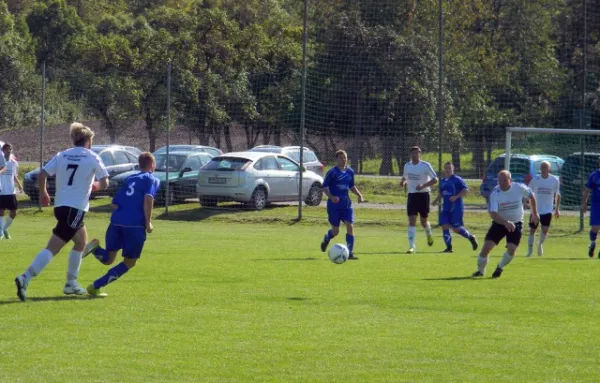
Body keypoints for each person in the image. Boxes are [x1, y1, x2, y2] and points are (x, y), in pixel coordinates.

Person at [14, 122, 109, 301]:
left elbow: (42, 174)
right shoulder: (92, 157)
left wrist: (44, 193)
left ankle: (71, 283)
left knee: (81, 242)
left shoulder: (63, 155)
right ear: (88, 140)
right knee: (53, 248)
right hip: (76, 208)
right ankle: (25, 278)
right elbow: (105, 181)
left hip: (61, 207)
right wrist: (95, 185)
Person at [82, 152, 159, 296]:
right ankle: (95, 286)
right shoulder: (152, 179)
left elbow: (114, 204)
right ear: (152, 165)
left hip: (116, 223)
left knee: (108, 259)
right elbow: (148, 198)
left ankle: (94, 248)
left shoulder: (129, 178)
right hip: (134, 227)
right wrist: (148, 222)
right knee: (129, 262)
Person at [472, 170, 539, 279]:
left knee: (512, 249)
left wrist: (535, 214)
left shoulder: (519, 188)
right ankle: (480, 271)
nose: (501, 183)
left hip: (516, 222)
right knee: (486, 248)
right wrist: (505, 222)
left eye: (504, 180)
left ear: (510, 180)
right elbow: (493, 213)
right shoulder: (495, 193)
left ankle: (500, 267)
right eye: (499, 180)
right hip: (500, 222)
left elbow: (531, 196)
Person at [320, 150, 364, 260]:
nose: (343, 159)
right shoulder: (332, 172)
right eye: (340, 158)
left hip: (346, 204)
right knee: (336, 231)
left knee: (350, 225)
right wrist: (331, 197)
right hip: (334, 205)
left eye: (344, 157)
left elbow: (351, 186)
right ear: (337, 159)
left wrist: (359, 195)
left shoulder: (350, 172)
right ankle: (327, 237)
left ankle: (350, 252)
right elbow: (324, 187)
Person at [432, 162, 478, 253]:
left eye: (449, 168)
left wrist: (456, 197)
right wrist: (436, 200)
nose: (448, 170)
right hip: (446, 208)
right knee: (445, 226)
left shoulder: (457, 179)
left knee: (456, 229)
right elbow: (441, 192)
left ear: (453, 169)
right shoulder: (443, 181)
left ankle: (471, 237)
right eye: (446, 168)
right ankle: (449, 248)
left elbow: (465, 190)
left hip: (456, 208)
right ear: (444, 170)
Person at [400, 146, 438, 254]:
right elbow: (405, 177)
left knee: (423, 221)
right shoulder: (407, 166)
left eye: (416, 153)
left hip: (424, 195)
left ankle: (429, 234)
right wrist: (402, 182)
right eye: (412, 153)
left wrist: (423, 185)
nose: (414, 155)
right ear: (410, 155)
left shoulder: (425, 165)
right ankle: (412, 247)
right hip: (412, 195)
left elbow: (435, 179)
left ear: (420, 154)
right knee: (412, 220)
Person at [526, 161, 560, 257]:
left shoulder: (554, 180)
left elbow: (558, 194)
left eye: (545, 167)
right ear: (540, 169)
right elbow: (529, 193)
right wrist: (528, 204)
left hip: (547, 210)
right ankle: (530, 250)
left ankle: (540, 244)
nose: (543, 169)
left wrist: (557, 209)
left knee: (545, 230)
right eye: (542, 167)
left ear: (549, 169)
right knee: (532, 230)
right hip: (536, 210)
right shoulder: (535, 180)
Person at [0, 144, 23, 239]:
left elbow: (14, 176)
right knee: (1, 212)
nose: (8, 151)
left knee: (13, 213)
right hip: (1, 191)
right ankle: (1, 233)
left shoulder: (14, 163)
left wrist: (19, 185)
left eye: (10, 149)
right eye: (6, 149)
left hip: (11, 191)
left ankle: (3, 229)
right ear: (3, 151)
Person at [582, 156, 600, 258]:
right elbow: (587, 190)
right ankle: (592, 244)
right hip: (596, 205)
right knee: (595, 228)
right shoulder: (594, 175)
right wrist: (584, 203)